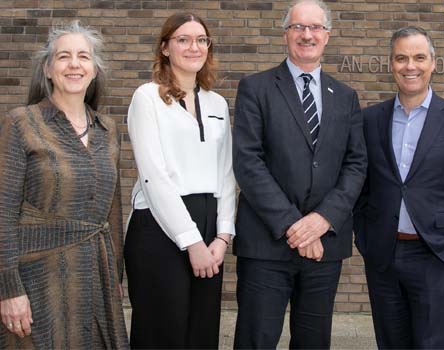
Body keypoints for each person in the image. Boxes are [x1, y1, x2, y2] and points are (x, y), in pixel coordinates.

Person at [231, 0, 367, 348]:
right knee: (256, 340)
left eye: (315, 28)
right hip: (267, 243)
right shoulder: (255, 88)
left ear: (327, 36)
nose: (307, 35)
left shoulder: (346, 97)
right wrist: (297, 227)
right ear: (285, 34)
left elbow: (356, 165)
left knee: (313, 342)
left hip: (326, 247)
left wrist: (322, 220)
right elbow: (248, 162)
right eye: (298, 27)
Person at [353, 26, 444, 349]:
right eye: (401, 58)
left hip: (437, 254)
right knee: (391, 342)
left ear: (433, 63)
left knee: (436, 344)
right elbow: (360, 185)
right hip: (383, 254)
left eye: (418, 58)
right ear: (391, 64)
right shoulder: (370, 119)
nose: (409, 66)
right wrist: (366, 238)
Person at [0, 21, 128, 348]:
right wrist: (8, 289)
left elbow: (112, 212)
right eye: (63, 57)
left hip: (94, 277)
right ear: (47, 68)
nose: (74, 64)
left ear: (94, 70)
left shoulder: (107, 129)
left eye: (83, 57)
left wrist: (114, 275)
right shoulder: (21, 123)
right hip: (37, 277)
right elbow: (3, 211)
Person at [125, 12, 236, 349]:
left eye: (201, 40)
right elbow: (153, 177)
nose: (194, 47)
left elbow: (227, 172)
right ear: (165, 48)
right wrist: (192, 242)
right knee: (163, 333)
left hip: (208, 225)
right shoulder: (147, 97)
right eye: (183, 40)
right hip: (159, 226)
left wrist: (223, 235)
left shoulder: (217, 103)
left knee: (201, 334)